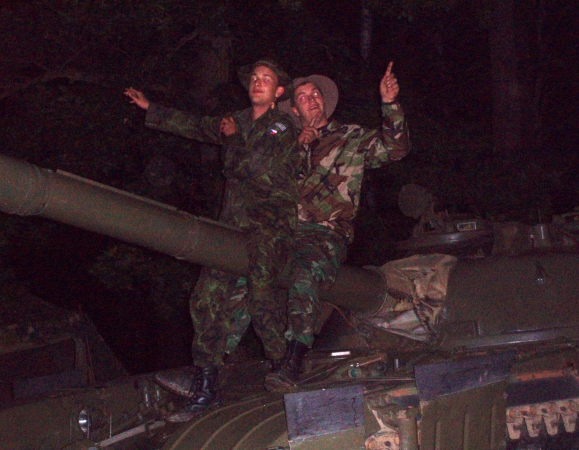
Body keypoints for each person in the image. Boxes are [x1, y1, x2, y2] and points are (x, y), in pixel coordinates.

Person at [124, 59, 300, 417]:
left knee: (261, 299)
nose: (258, 83)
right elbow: (196, 125)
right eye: (254, 78)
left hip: (268, 226)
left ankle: (284, 364)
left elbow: (249, 166)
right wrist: (151, 109)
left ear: (278, 91)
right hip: (233, 226)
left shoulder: (281, 126)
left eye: (266, 79)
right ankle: (206, 386)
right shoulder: (236, 120)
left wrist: (232, 138)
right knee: (205, 299)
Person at [263, 62, 411, 391]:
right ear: (295, 110)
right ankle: (213, 371)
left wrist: (390, 104)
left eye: (315, 93)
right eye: (303, 97)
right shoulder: (283, 145)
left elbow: (396, 149)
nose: (312, 98)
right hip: (282, 232)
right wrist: (299, 147)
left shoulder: (351, 138)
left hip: (324, 233)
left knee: (304, 274)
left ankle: (293, 359)